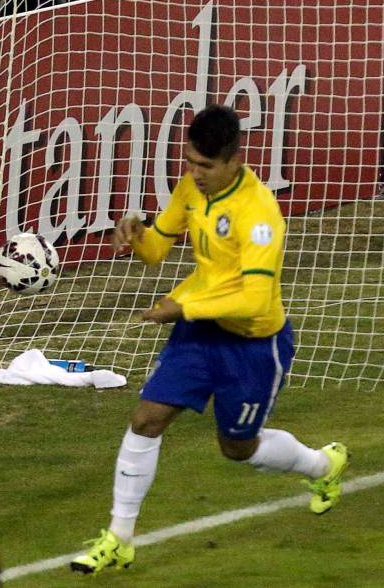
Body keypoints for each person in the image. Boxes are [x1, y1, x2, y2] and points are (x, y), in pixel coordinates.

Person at [71, 104, 348, 575]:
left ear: (234, 160)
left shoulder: (259, 214)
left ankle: (323, 466)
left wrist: (184, 307)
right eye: (189, 163)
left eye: (204, 166)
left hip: (254, 344)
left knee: (237, 448)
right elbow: (156, 250)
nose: (194, 174)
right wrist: (135, 233)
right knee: (146, 419)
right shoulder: (191, 190)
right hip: (200, 332)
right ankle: (119, 537)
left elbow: (257, 300)